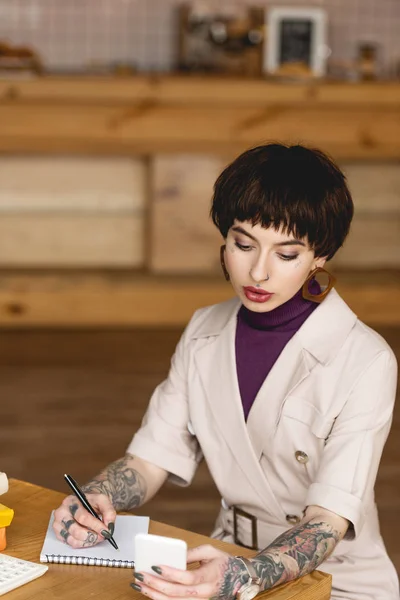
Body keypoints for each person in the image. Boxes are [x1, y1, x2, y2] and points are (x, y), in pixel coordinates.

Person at [53, 144, 398, 600]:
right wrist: (100, 496)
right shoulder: (203, 332)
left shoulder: (367, 360)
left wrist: (244, 576)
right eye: (243, 244)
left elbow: (327, 522)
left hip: (338, 581)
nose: (258, 271)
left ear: (321, 256)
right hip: (224, 555)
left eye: (287, 254)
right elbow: (152, 458)